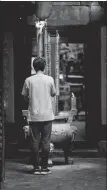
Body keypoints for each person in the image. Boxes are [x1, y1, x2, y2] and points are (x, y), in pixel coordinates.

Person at [21, 57, 56, 175]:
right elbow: (53, 93)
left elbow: (24, 96)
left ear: (33, 67)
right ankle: (45, 168)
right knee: (46, 141)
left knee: (34, 142)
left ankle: (36, 168)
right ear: (44, 67)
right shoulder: (49, 79)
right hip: (47, 115)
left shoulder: (28, 80)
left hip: (34, 116)